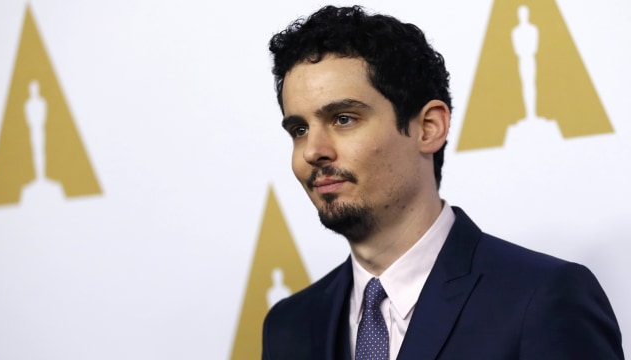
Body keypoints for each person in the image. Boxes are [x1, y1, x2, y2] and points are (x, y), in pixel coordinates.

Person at [262, 5, 623, 360]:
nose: (313, 151)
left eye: (343, 119)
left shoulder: (542, 298)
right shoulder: (289, 325)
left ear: (429, 128)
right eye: (299, 129)